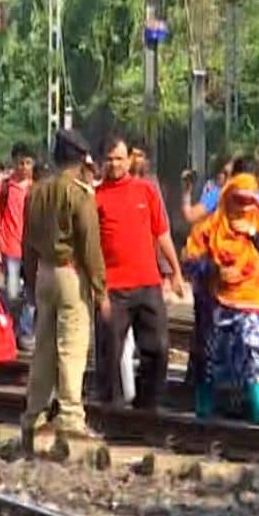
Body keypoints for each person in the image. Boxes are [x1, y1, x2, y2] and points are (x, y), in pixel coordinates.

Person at [20, 130, 108, 460]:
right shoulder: (79, 194)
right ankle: (71, 418)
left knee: (43, 348)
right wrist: (100, 290)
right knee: (71, 348)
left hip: (43, 272)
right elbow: (89, 246)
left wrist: (30, 280)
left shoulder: (37, 191)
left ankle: (35, 414)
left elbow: (26, 240)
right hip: (71, 273)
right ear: (82, 158)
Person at [93, 134, 184, 408]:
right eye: (109, 160)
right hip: (113, 287)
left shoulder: (146, 191)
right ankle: (111, 408)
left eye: (119, 158)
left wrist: (176, 272)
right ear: (101, 162)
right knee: (110, 353)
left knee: (157, 347)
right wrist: (98, 290)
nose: (114, 164)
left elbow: (162, 233)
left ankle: (147, 404)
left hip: (147, 283)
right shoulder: (94, 198)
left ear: (129, 159)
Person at [183, 173, 259, 423]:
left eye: (249, 202)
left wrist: (254, 233)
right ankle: (205, 412)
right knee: (211, 357)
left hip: (252, 303)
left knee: (254, 351)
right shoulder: (208, 229)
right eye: (238, 200)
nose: (243, 207)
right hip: (216, 303)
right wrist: (215, 270)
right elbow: (189, 262)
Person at [0, 142, 36, 347]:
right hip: (10, 248)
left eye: (28, 163)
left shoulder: (38, 188)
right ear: (14, 162)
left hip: (33, 250)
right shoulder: (4, 188)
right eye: (20, 163)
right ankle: (12, 330)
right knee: (12, 293)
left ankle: (25, 331)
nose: (24, 167)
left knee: (32, 294)